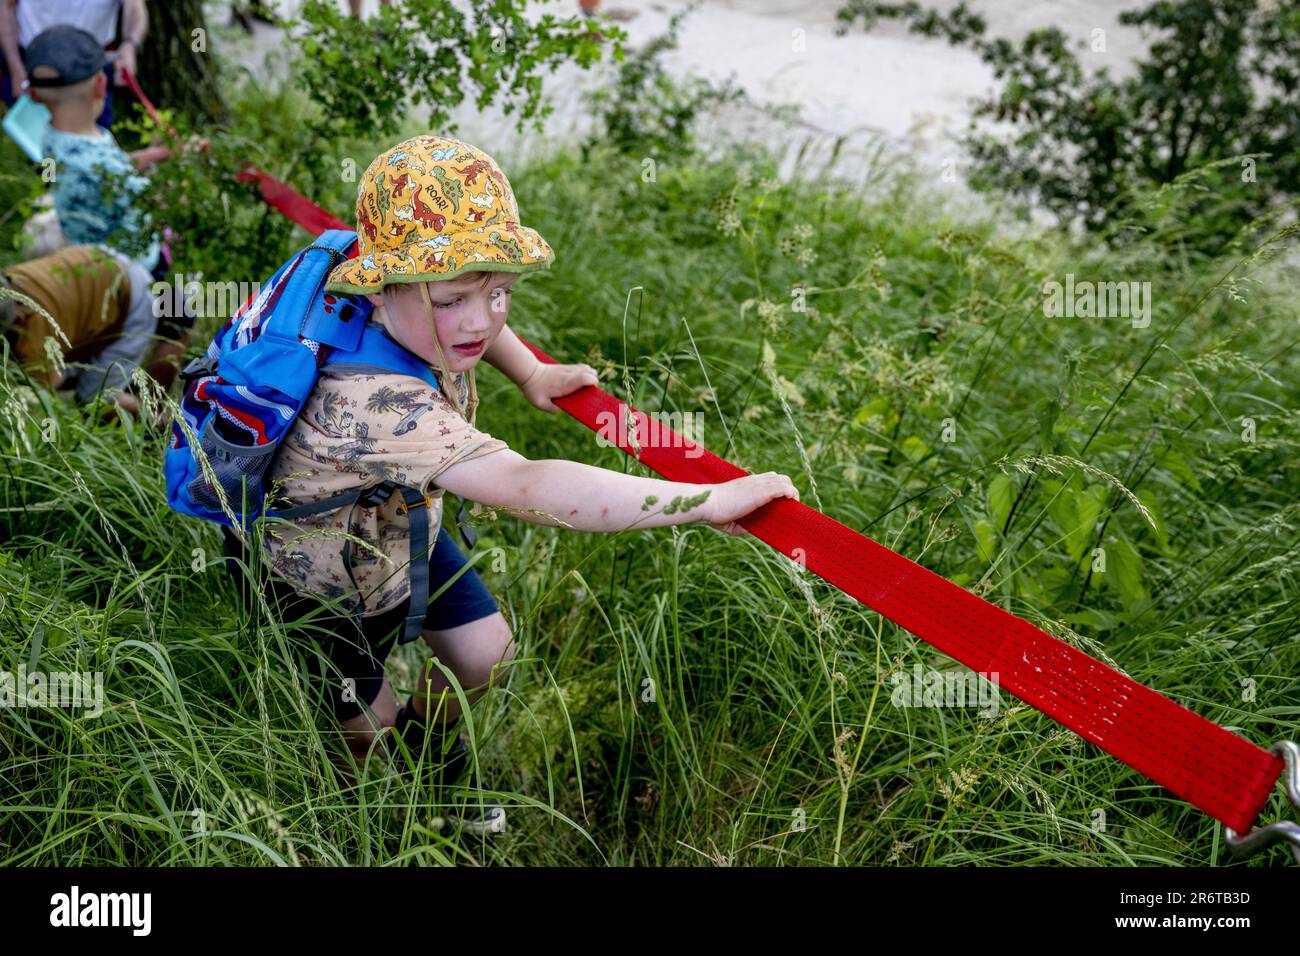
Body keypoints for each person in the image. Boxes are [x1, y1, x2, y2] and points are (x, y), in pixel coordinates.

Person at [218, 135, 799, 833]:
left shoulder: (416, 305)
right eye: (457, 298)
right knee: (364, 725)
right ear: (385, 285)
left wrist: (530, 373)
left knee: (485, 655)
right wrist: (705, 502)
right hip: (313, 573)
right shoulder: (374, 404)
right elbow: (530, 484)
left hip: (400, 526)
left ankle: (428, 750)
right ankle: (348, 812)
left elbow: (473, 311)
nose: (483, 318)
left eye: (501, 293)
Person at [24, 25, 169, 278]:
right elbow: (156, 202)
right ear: (101, 84)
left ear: (34, 95)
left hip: (85, 249)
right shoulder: (102, 164)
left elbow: (109, 168)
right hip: (131, 270)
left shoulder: (51, 137)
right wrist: (181, 162)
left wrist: (150, 155)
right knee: (180, 314)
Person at [0, 244, 191, 416]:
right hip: (102, 260)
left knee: (95, 400)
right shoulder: (12, 282)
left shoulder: (32, 339)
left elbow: (49, 405)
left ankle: (157, 422)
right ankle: (154, 419)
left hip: (124, 289)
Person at [0, 0, 147, 130]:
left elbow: (134, 4)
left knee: (92, 139)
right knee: (32, 138)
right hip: (34, 64)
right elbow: (6, 5)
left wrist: (130, 45)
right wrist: (16, 69)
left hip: (90, 65)